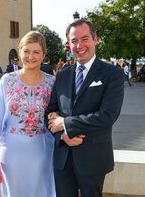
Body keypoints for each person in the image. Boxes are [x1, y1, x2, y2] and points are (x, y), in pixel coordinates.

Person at [46, 19, 124, 197]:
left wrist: (66, 123)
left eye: (85, 38)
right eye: (74, 41)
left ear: (95, 39)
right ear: (68, 44)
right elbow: (50, 113)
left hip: (93, 158)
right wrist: (62, 135)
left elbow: (107, 116)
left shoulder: (112, 74)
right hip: (63, 159)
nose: (79, 45)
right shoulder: (62, 75)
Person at [0, 30, 56, 197]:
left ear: (43, 55)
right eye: (26, 51)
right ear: (19, 52)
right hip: (11, 154)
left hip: (42, 152)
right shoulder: (7, 80)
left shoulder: (52, 82)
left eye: (36, 52)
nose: (30, 56)